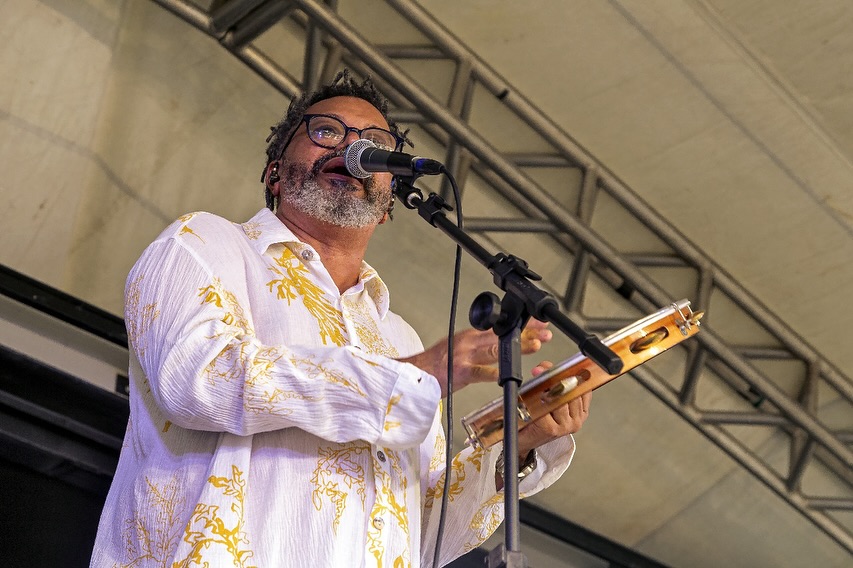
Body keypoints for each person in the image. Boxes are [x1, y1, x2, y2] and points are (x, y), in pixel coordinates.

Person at [90, 71, 592, 568]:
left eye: (374, 142)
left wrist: (520, 446)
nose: (352, 147)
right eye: (327, 131)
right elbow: (199, 379)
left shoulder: (398, 336)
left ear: (389, 203)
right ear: (274, 172)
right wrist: (420, 375)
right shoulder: (205, 243)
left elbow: (421, 533)